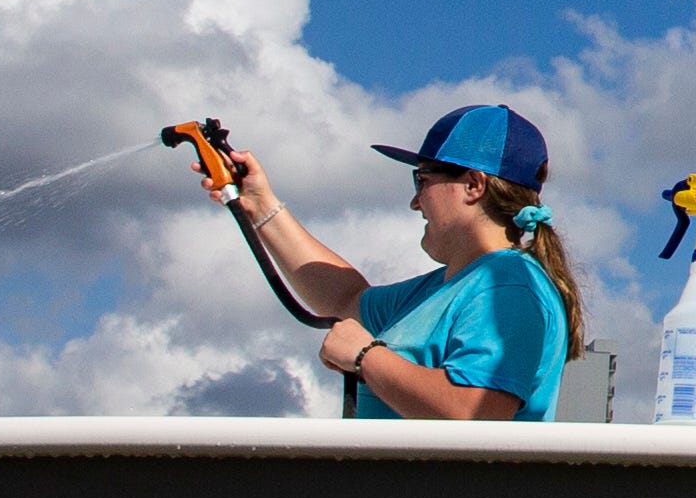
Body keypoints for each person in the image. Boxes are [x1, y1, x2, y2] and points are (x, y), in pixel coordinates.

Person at [224, 102, 581, 421]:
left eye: (422, 180)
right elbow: (344, 299)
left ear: (474, 184)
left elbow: (476, 412)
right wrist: (260, 204)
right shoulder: (446, 287)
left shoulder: (507, 286)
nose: (415, 202)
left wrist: (366, 357)